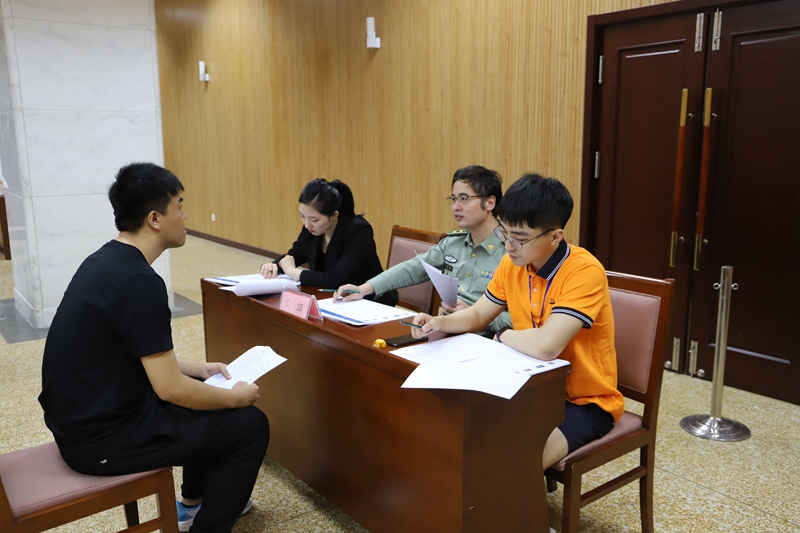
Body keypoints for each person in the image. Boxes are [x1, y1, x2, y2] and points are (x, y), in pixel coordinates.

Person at [38, 162, 270, 533]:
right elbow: (170, 388)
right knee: (249, 425)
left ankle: (192, 504)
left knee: (204, 388)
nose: (185, 215)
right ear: (155, 219)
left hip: (81, 424)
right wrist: (234, 398)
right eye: (179, 205)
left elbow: (136, 349)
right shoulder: (140, 283)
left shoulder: (106, 260)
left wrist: (201, 368)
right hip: (103, 442)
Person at [410, 173, 623, 471]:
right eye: (504, 233)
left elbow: (547, 346)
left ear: (555, 236)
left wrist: (502, 335)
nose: (509, 246)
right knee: (454, 431)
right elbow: (477, 315)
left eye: (519, 238)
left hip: (584, 401)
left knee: (514, 464)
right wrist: (437, 322)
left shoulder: (584, 272)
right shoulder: (513, 264)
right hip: (530, 386)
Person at [337, 165, 511, 336]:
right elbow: (414, 268)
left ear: (489, 203)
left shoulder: (511, 250)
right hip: (447, 331)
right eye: (454, 199)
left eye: (464, 199)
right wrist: (365, 288)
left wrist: (476, 316)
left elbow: (521, 318)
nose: (456, 207)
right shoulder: (453, 243)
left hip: (488, 338)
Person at [261, 178, 398, 306]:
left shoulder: (359, 231)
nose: (307, 224)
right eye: (302, 217)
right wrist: (274, 265)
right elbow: (294, 255)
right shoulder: (311, 230)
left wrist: (291, 271)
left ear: (334, 215)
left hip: (369, 302)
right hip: (334, 300)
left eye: (314, 220)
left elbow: (334, 279)